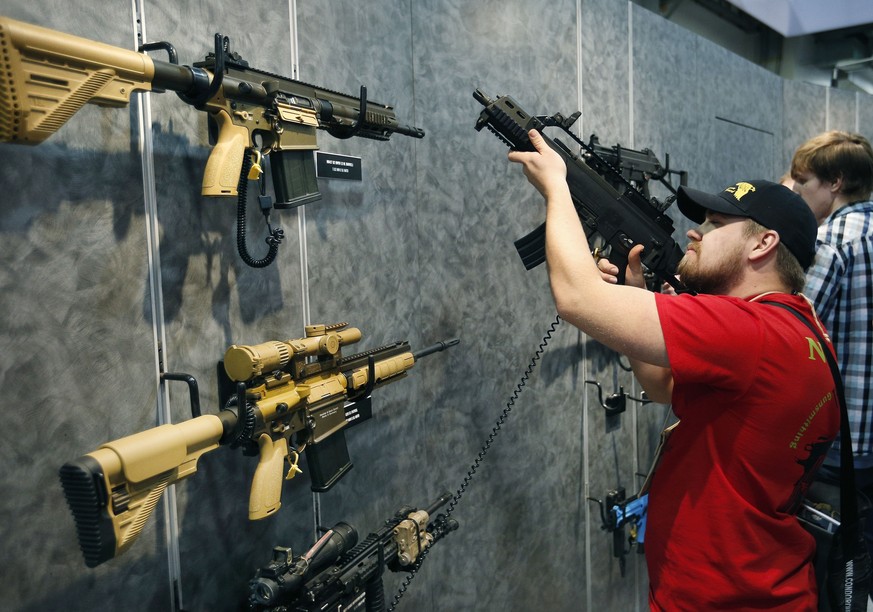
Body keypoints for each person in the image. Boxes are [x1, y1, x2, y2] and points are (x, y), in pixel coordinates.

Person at [508, 130, 840, 611]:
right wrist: (642, 300)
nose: (694, 231)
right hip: (757, 583)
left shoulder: (749, 330)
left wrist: (558, 187)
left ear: (763, 243)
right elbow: (663, 387)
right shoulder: (796, 325)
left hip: (724, 598)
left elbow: (578, 298)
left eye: (715, 221)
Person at [789, 130, 873, 555]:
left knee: (839, 573)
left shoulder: (833, 241)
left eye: (803, 183)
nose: (798, 192)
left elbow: (790, 326)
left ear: (835, 181)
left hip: (845, 443)